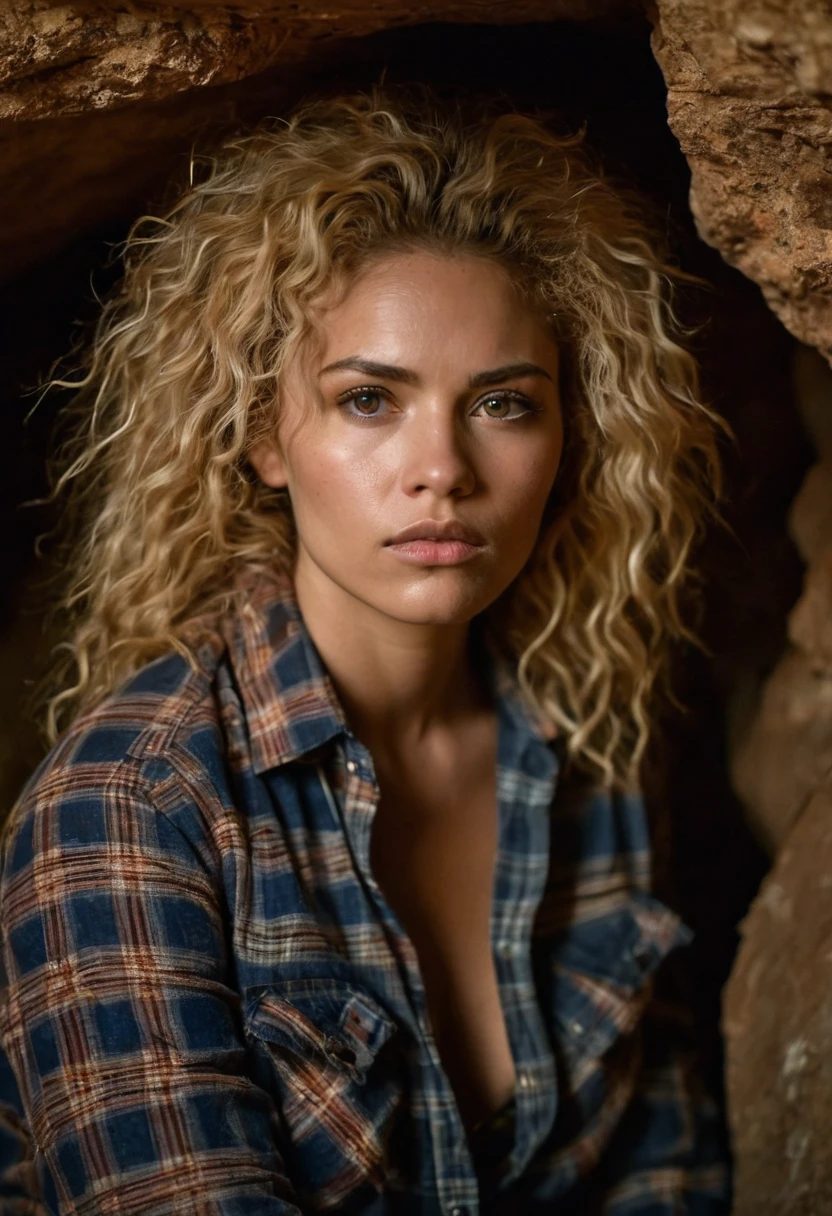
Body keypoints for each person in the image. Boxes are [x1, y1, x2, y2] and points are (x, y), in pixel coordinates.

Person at [0, 84, 731, 1214]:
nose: (441, 466)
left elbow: (667, 1177)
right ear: (258, 434)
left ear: (569, 435)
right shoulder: (131, 804)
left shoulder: (596, 753)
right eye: (369, 400)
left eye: (500, 402)